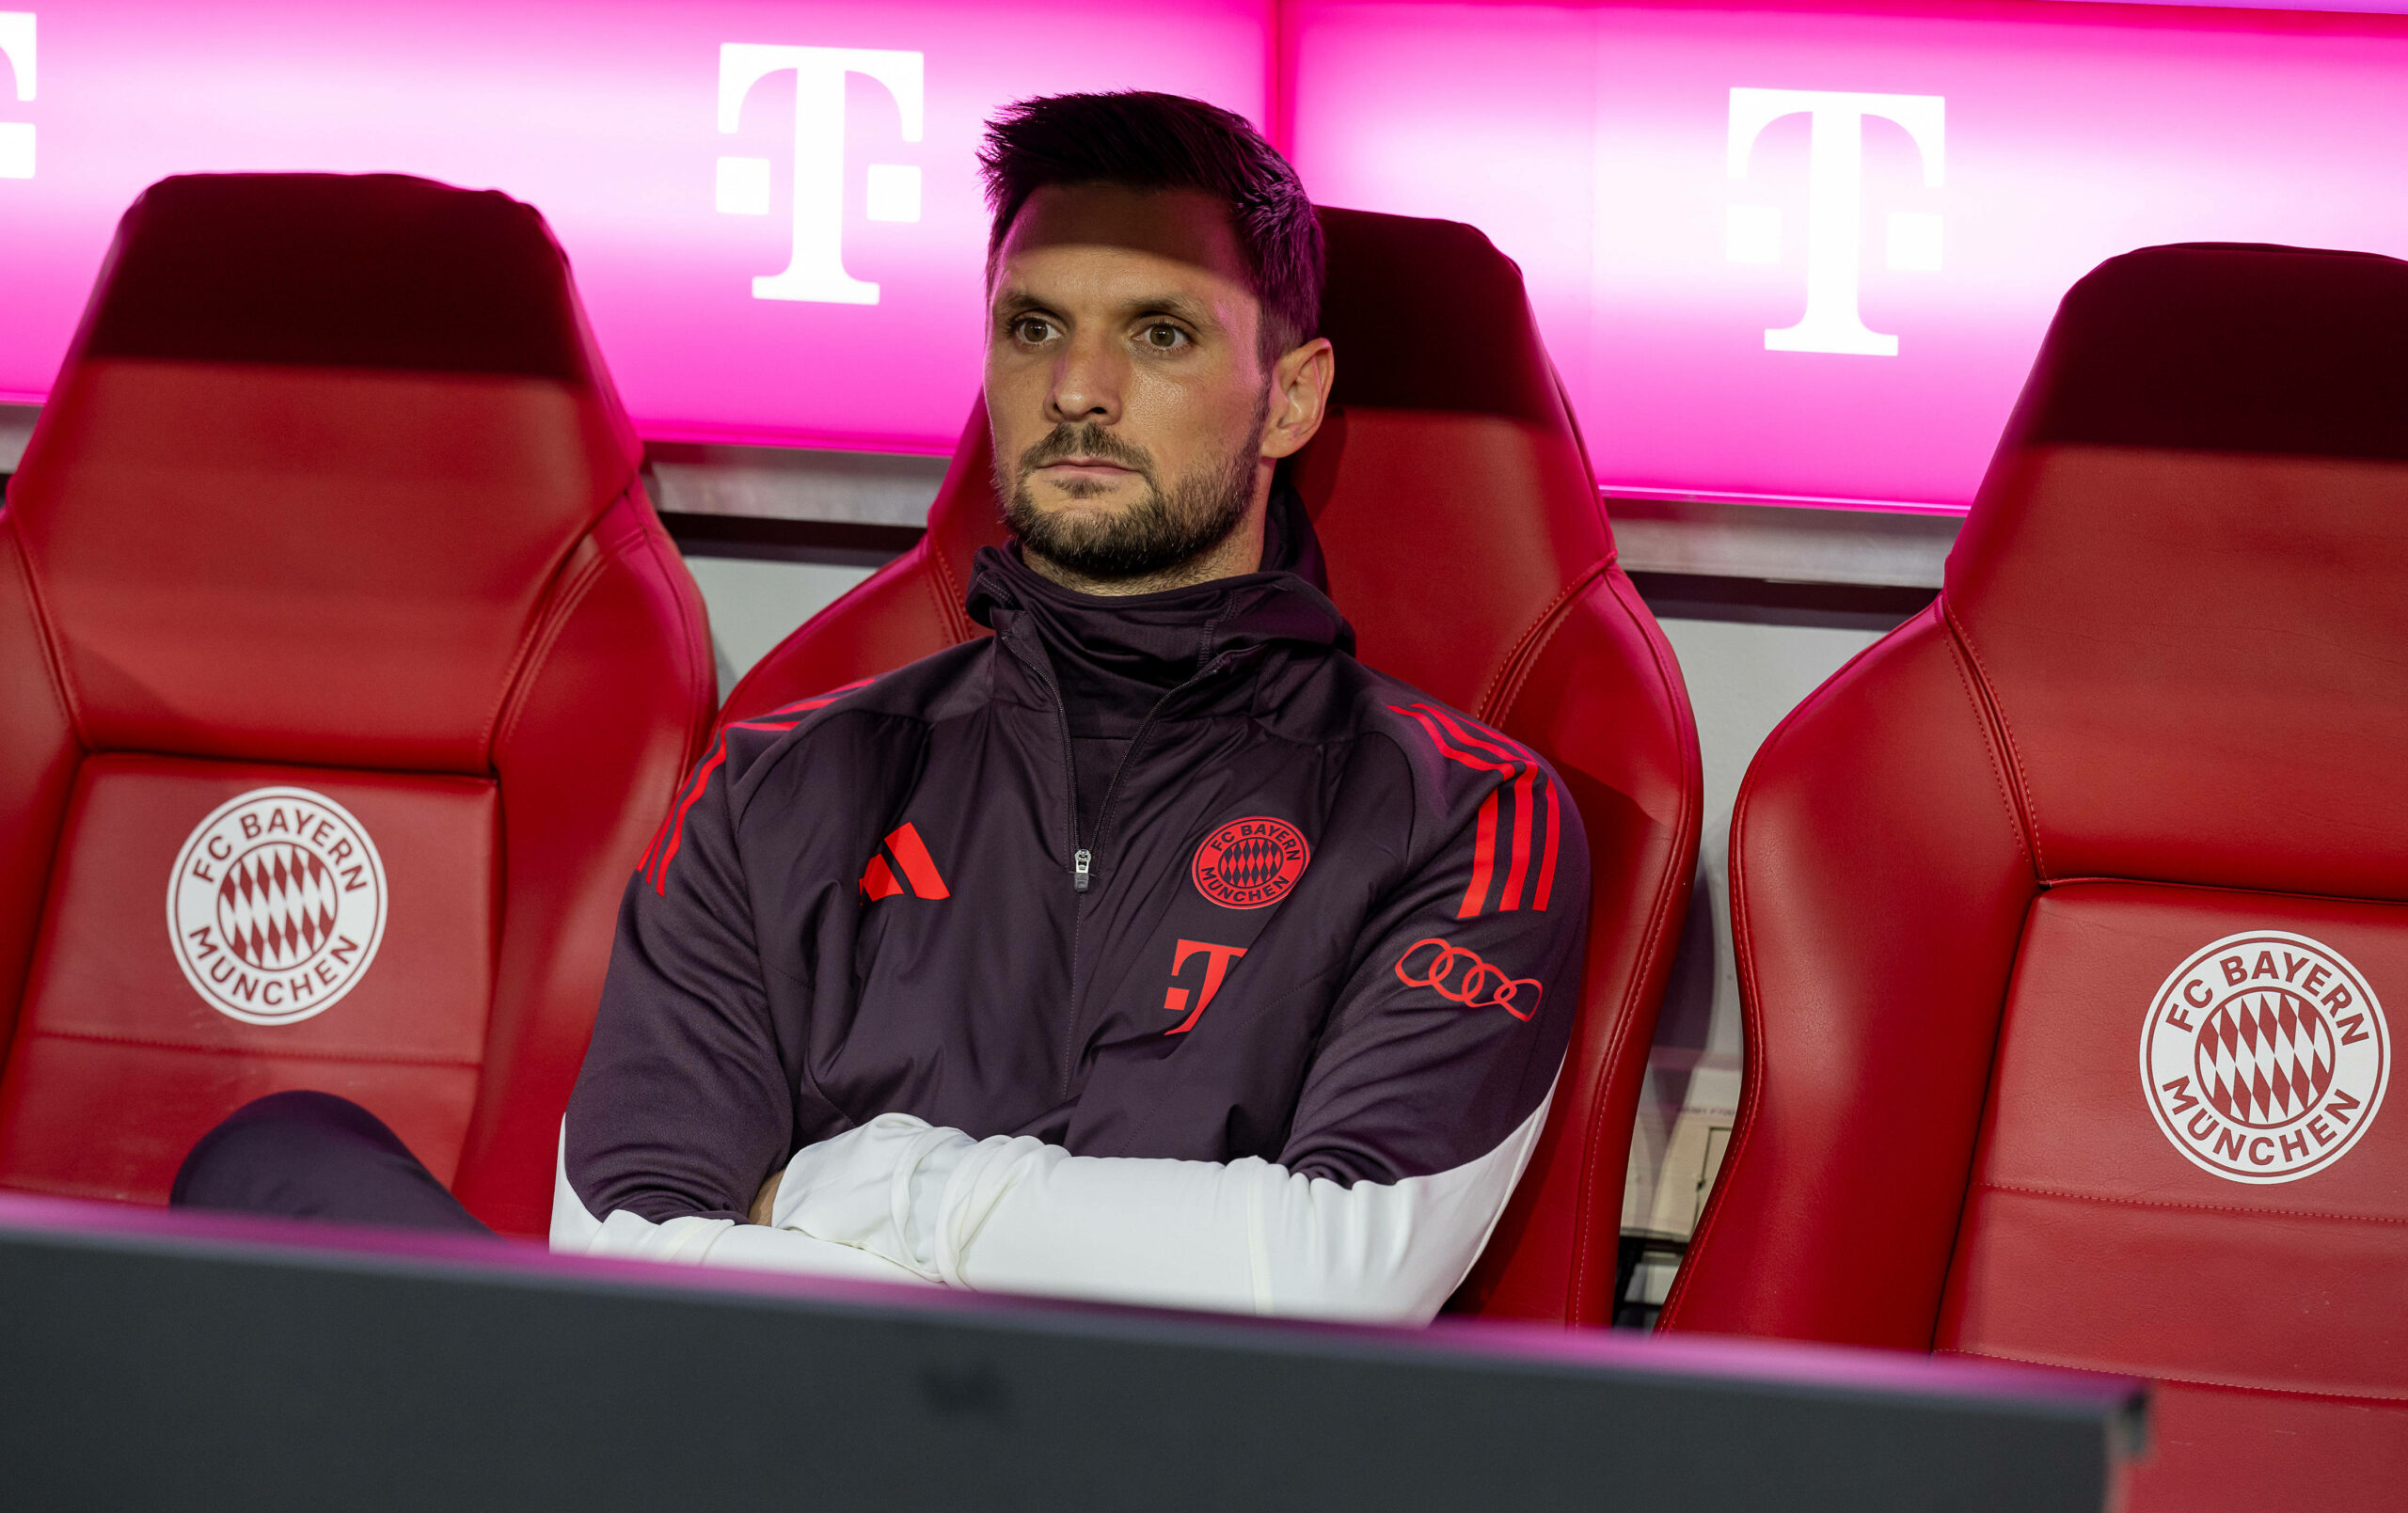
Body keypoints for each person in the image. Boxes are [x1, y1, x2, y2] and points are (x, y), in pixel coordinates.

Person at [176, 91, 1589, 1325]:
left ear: (1290, 397)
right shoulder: (785, 780)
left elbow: (1323, 1279)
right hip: (754, 1449)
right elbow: (622, 1246)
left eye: (1158, 334)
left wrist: (873, 1186)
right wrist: (1092, 1253)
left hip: (1164, 1472)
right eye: (1034, 325)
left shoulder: (1465, 811)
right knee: (278, 1161)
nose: (1079, 391)